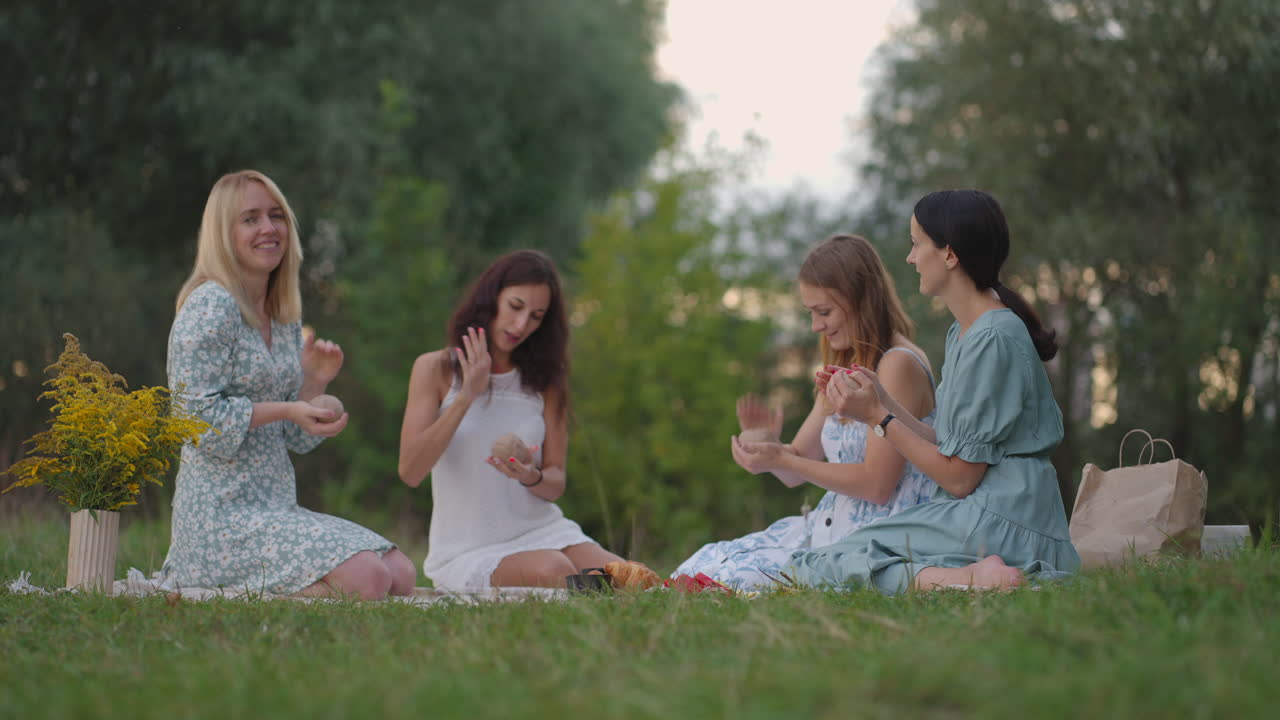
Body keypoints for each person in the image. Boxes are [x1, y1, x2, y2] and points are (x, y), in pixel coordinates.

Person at [789, 189, 1080, 593]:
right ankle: (966, 576)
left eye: (916, 243)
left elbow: (960, 478)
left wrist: (878, 417)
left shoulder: (993, 338)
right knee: (822, 560)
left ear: (949, 254)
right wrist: (881, 399)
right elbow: (948, 441)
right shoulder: (965, 331)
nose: (910, 258)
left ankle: (969, 580)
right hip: (986, 512)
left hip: (1007, 519)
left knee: (820, 564)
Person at [161, 170, 415, 600]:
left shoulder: (283, 316)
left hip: (274, 510)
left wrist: (313, 383)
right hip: (218, 521)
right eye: (251, 219)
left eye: (276, 216)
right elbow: (194, 421)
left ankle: (289, 589)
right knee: (370, 579)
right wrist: (287, 408)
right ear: (223, 234)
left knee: (401, 573)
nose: (268, 228)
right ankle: (220, 591)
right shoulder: (210, 305)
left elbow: (293, 439)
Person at [672, 235, 938, 590]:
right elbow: (797, 465)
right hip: (831, 527)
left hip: (878, 539)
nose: (816, 326)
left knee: (737, 579)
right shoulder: (847, 364)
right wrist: (766, 448)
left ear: (860, 299)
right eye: (810, 313)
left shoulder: (898, 365)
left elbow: (877, 485)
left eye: (824, 312)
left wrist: (785, 459)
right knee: (701, 565)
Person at [399, 250, 629, 589]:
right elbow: (410, 471)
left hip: (545, 530)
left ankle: (619, 594)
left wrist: (529, 476)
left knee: (633, 576)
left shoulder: (546, 381)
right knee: (557, 570)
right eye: (515, 306)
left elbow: (555, 481)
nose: (522, 325)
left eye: (536, 316)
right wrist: (467, 396)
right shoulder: (435, 368)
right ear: (491, 298)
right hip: (470, 549)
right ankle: (596, 593)